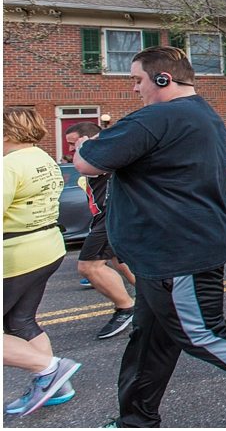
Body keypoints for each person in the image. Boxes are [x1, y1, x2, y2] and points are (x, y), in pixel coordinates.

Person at [74, 46, 226, 428]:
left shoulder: (158, 117)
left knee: (200, 331)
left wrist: (86, 143)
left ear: (163, 79)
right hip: (162, 253)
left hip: (178, 253)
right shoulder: (202, 115)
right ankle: (136, 419)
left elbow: (88, 161)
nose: (134, 89)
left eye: (137, 80)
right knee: (150, 338)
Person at [4, 107, 82, 417]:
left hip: (16, 252)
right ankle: (56, 384)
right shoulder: (42, 158)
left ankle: (50, 368)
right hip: (46, 245)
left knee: (18, 321)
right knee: (21, 321)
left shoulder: (9, 165)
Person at [64, 122, 136, 340]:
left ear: (89, 138)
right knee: (120, 262)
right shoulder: (97, 152)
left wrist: (85, 146)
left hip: (111, 215)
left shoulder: (102, 152)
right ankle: (160, 300)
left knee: (88, 267)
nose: (70, 150)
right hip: (105, 215)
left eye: (72, 143)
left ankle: (126, 308)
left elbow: (83, 166)